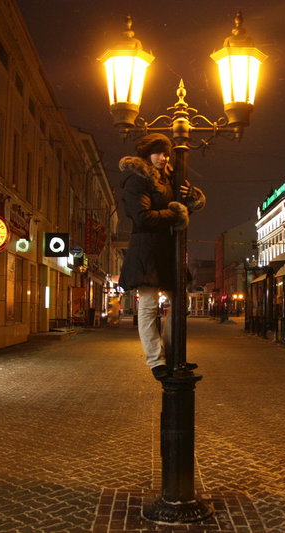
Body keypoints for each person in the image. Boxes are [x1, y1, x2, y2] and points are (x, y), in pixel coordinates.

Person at [118, 133, 205, 380]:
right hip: (145, 248)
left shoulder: (169, 179)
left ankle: (173, 355)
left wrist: (190, 198)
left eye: (166, 153)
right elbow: (142, 217)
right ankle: (156, 361)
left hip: (167, 248)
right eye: (158, 153)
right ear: (147, 154)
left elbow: (181, 210)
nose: (163, 158)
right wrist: (175, 212)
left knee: (180, 303)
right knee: (148, 306)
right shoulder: (137, 180)